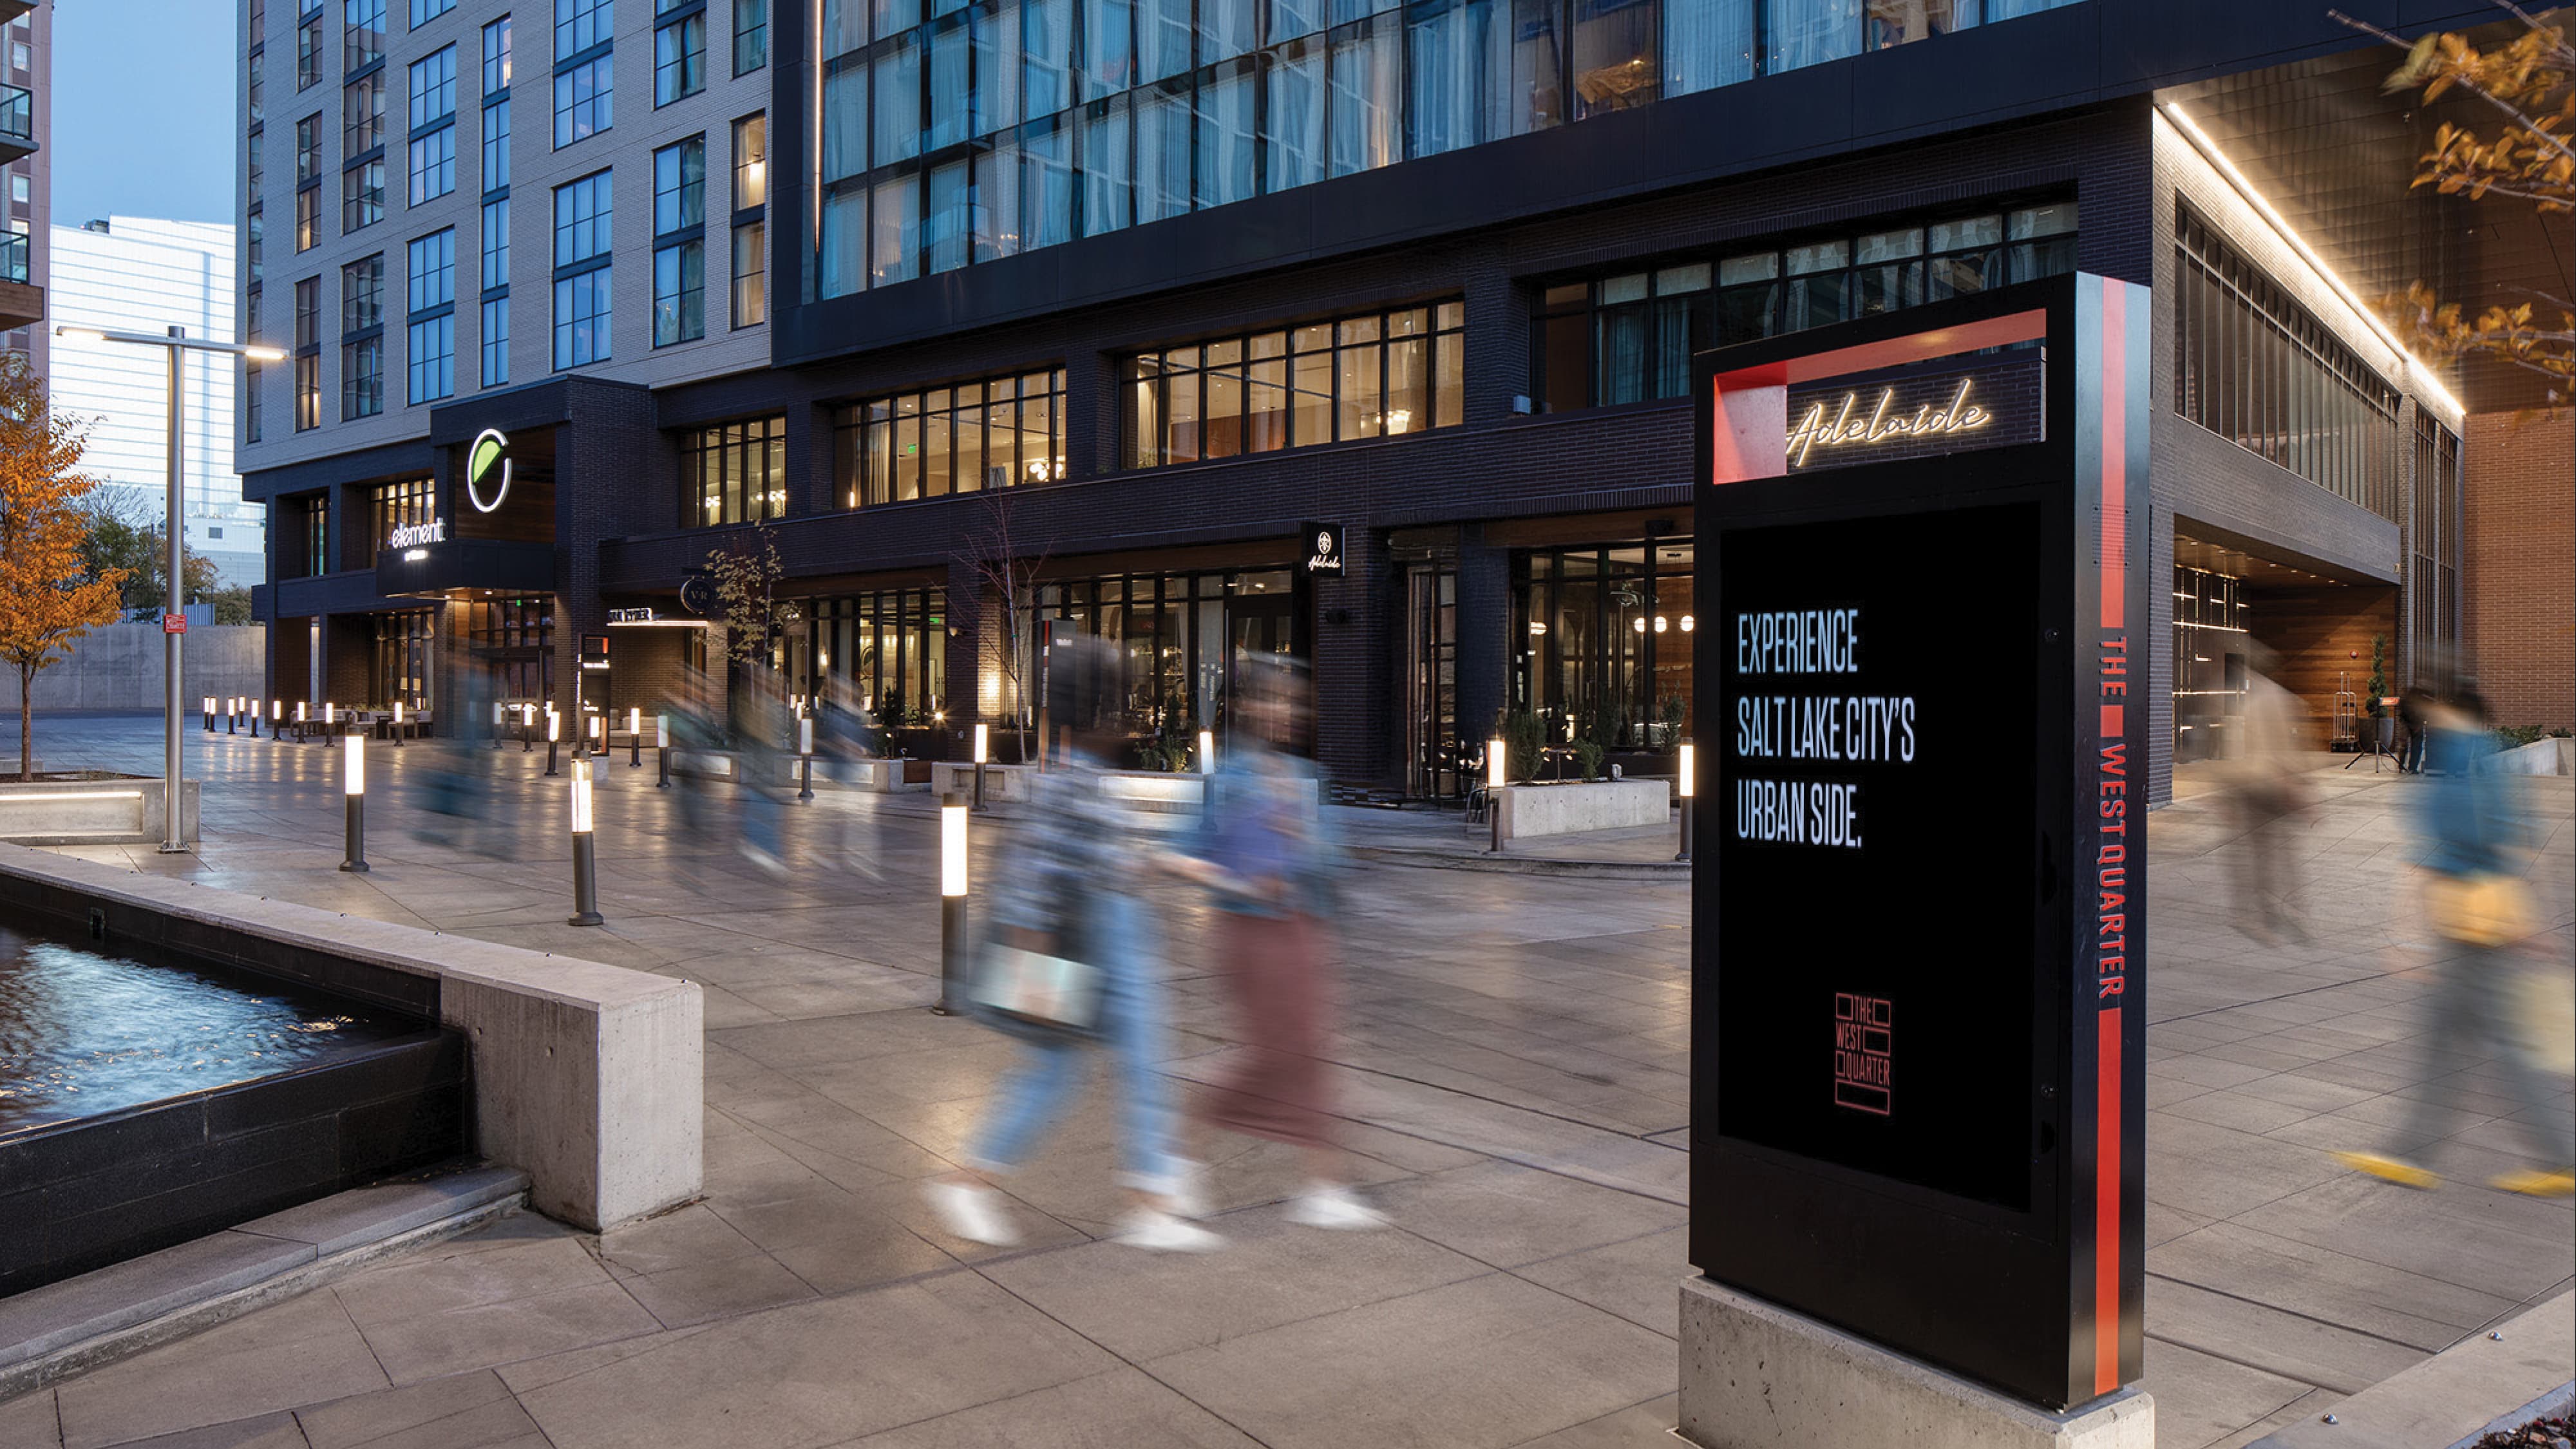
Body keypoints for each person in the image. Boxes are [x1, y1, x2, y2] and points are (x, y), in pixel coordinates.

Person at [925, 636, 1217, 1253]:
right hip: (1099, 939)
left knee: (1084, 1065)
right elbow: (1037, 879)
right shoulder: (1073, 783)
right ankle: (1146, 1197)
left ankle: (979, 1179)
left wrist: (1175, 867)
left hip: (1103, 934)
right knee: (1120, 1062)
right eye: (1123, 704)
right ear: (1100, 711)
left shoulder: (1077, 777)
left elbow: (1106, 859)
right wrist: (1033, 979)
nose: (1131, 718)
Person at [1175, 656, 1386, 1230]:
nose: (1281, 712)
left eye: (1290, 702)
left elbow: (1332, 859)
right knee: (1276, 1054)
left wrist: (1303, 841)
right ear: (1246, 709)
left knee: (1313, 1050)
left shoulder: (1304, 777)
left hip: (1303, 927)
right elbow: (1179, 853)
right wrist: (1238, 880)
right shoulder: (1229, 780)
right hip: (1249, 931)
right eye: (1270, 700)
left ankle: (1322, 1186)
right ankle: (1180, 1155)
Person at [2335, 688, 2572, 1198]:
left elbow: (2431, 854)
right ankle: (2413, 1153)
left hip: (2470, 927)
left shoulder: (2455, 760)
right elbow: (2524, 842)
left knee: (2490, 1045)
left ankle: (2553, 1158)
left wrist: (2402, 934)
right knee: (2450, 1041)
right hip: (2488, 922)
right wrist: (2536, 916)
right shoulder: (2493, 756)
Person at [2225, 656, 2311, 945]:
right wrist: (2298, 783)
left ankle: (2257, 912)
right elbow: (2290, 744)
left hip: (2253, 785)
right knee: (2281, 851)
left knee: (2256, 853)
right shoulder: (2280, 698)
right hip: (2273, 785)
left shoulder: (2248, 703)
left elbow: (2237, 747)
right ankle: (2290, 909)